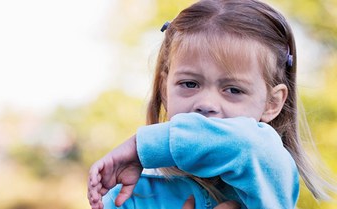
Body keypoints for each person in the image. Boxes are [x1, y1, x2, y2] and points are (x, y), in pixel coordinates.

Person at [88, 0, 336, 208]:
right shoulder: (134, 194)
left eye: (233, 90)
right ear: (165, 89)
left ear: (271, 103)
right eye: (190, 84)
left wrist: (142, 145)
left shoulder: (268, 169)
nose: (206, 104)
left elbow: (247, 143)